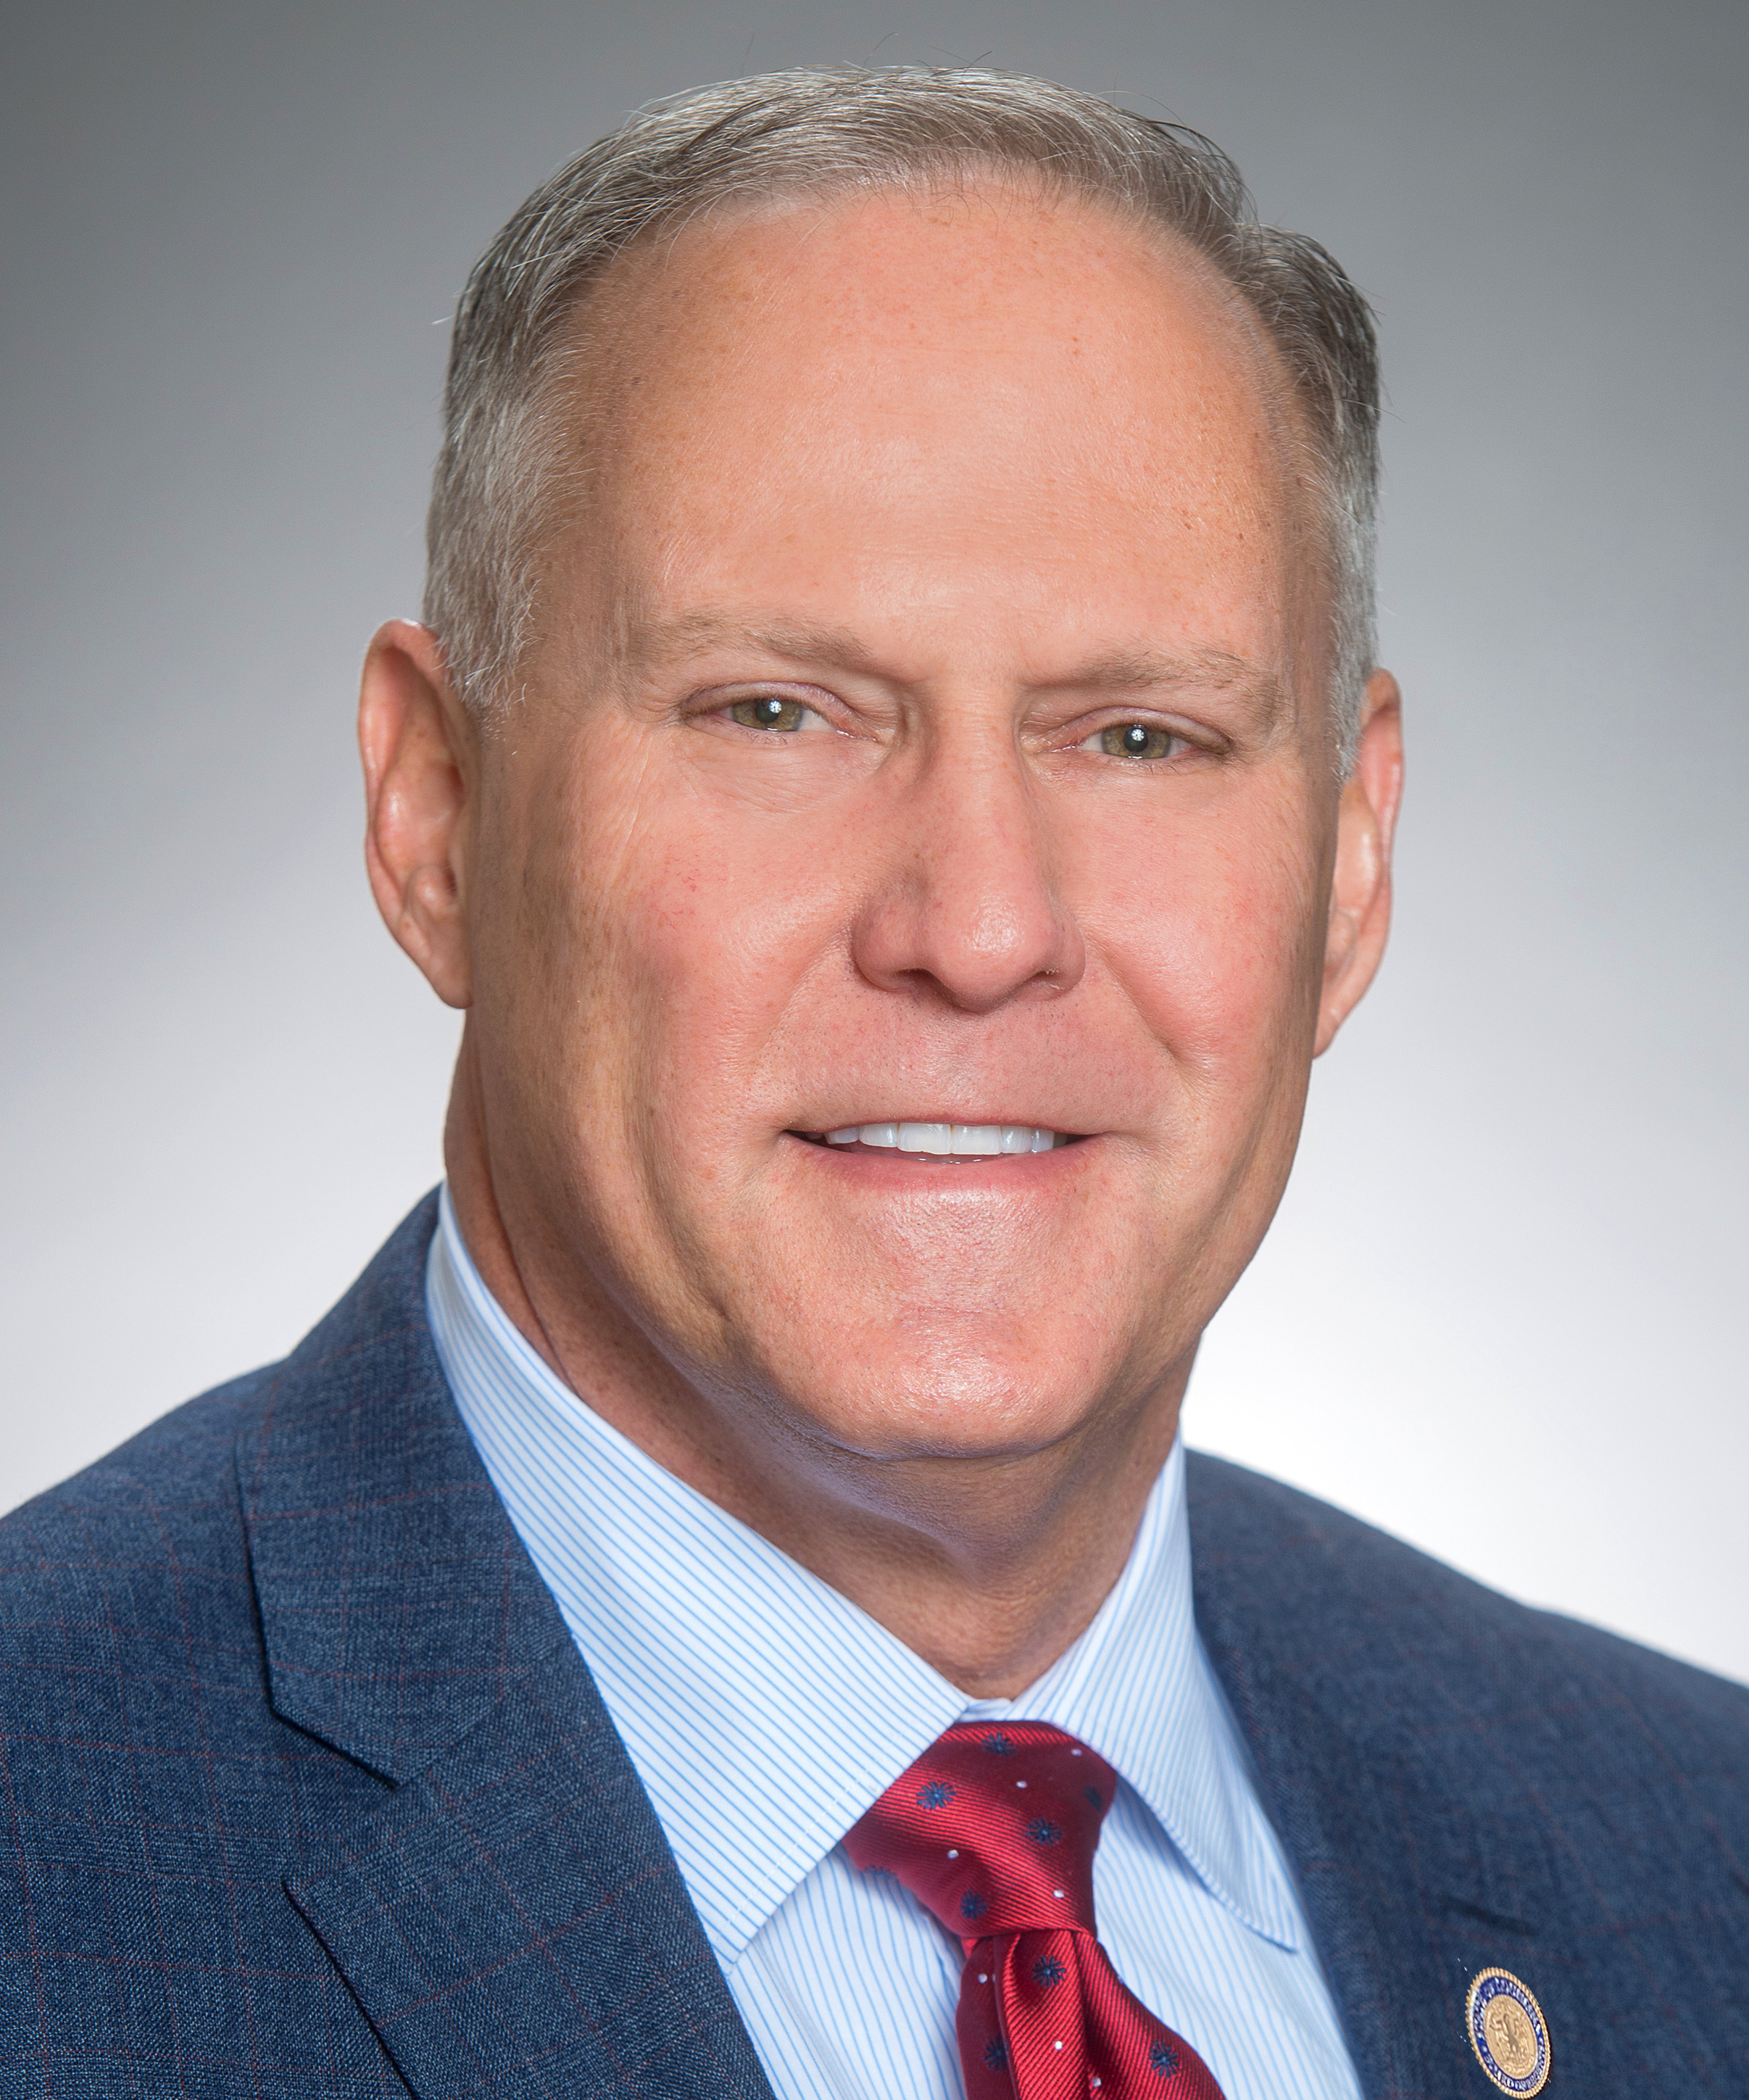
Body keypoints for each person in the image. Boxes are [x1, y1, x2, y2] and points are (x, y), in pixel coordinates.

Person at [1, 65, 1743, 2100]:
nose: (982, 925)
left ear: (1352, 861)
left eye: (1143, 737)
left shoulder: (1691, 1860)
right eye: (779, 709)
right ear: (438, 814)